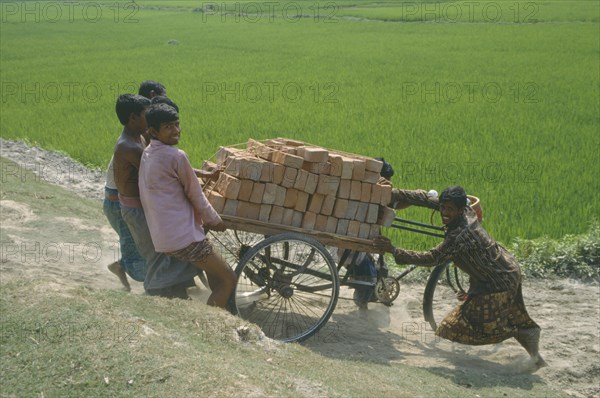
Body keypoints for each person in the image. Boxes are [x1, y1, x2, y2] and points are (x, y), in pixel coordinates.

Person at [374, 186, 546, 369]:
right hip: (504, 268)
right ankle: (536, 357)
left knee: (454, 327)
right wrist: (394, 193)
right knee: (512, 313)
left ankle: (519, 333)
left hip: (498, 282)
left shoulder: (460, 235)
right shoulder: (467, 211)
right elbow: (424, 198)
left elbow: (432, 258)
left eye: (450, 209)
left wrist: (393, 250)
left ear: (459, 210)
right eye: (443, 208)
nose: (444, 213)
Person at [138, 103, 236, 308]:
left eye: (177, 124)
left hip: (164, 235)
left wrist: (204, 174)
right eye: (168, 127)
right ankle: (211, 323)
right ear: (153, 131)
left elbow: (176, 172)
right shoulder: (177, 155)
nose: (176, 131)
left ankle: (223, 306)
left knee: (215, 273)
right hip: (183, 237)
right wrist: (215, 220)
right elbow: (196, 195)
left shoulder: (149, 153)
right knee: (229, 279)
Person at [112, 95, 202, 300]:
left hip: (143, 206)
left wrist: (197, 175)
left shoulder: (140, 139)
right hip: (136, 210)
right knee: (156, 254)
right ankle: (154, 294)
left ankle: (175, 291)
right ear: (133, 118)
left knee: (165, 252)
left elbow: (169, 167)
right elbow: (165, 171)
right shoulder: (130, 147)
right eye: (146, 115)